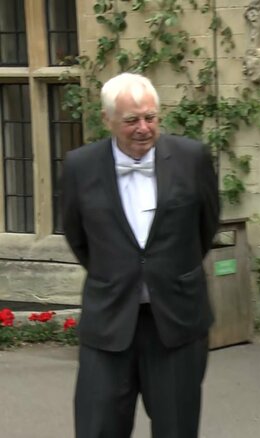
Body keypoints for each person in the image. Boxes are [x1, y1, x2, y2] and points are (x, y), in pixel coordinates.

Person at [62, 72, 220, 438]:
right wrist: (121, 274)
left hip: (177, 322)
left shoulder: (192, 158)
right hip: (109, 321)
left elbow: (206, 226)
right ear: (108, 119)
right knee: (97, 428)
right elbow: (77, 235)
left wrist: (164, 273)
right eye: (131, 120)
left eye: (150, 117)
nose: (143, 128)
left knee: (176, 430)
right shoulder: (80, 167)